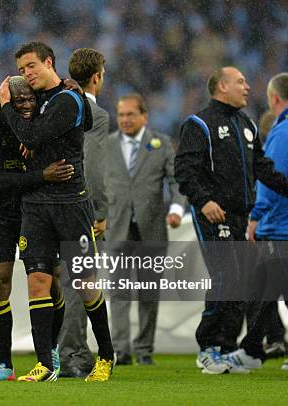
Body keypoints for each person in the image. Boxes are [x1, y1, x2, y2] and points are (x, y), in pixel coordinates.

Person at [174, 66, 288, 374]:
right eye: (240, 81)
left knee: (241, 283)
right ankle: (207, 348)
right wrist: (204, 201)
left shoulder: (246, 124)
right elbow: (183, 170)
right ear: (221, 86)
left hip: (239, 214)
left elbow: (261, 165)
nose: (247, 87)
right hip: (213, 214)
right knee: (225, 278)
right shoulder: (199, 124)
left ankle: (227, 347)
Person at [0, 42, 115, 382]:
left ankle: (106, 355)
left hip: (70, 204)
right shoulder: (47, 98)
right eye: (21, 70)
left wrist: (10, 109)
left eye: (32, 66)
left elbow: (32, 136)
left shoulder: (67, 99)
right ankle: (46, 363)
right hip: (35, 204)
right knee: (37, 281)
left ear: (49, 62)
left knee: (83, 282)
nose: (27, 74)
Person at [0, 76, 74, 381]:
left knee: (51, 279)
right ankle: (5, 364)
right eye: (20, 101)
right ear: (7, 103)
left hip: (35, 209)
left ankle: (50, 352)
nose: (27, 105)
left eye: (31, 99)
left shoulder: (40, 124)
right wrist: (42, 174)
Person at [223, 72, 288, 371]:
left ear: (274, 98)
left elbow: (273, 178)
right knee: (263, 289)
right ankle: (251, 350)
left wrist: (256, 216)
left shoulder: (284, 131)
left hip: (286, 226)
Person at [104, 93, 185, 366]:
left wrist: (176, 210)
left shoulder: (160, 144)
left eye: (130, 114)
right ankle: (120, 350)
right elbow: (96, 186)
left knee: (149, 291)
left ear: (144, 116)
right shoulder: (107, 145)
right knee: (118, 291)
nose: (125, 119)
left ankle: (144, 349)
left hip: (151, 227)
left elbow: (177, 182)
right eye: (121, 115)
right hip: (117, 227)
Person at [57, 47, 109, 378]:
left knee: (56, 282)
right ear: (96, 77)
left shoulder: (55, 105)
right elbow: (93, 167)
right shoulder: (96, 114)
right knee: (81, 282)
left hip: (47, 202)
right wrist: (99, 210)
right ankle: (72, 354)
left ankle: (55, 350)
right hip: (78, 206)